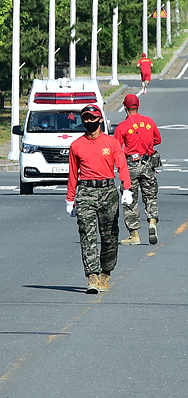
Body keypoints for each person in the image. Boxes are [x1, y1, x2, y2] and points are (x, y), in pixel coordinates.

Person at [66, 104, 134, 293]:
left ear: (100, 119)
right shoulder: (76, 145)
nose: (89, 121)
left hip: (108, 192)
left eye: (92, 118)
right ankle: (92, 276)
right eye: (86, 118)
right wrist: (70, 199)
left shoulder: (111, 143)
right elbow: (73, 174)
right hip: (86, 193)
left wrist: (127, 188)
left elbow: (122, 166)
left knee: (109, 236)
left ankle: (106, 272)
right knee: (87, 234)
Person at [114, 94, 162, 245]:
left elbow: (116, 147)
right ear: (138, 106)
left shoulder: (122, 126)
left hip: (130, 166)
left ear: (125, 108)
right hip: (147, 163)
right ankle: (152, 222)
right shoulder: (149, 122)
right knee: (150, 196)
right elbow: (158, 139)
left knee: (130, 198)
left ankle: (134, 234)